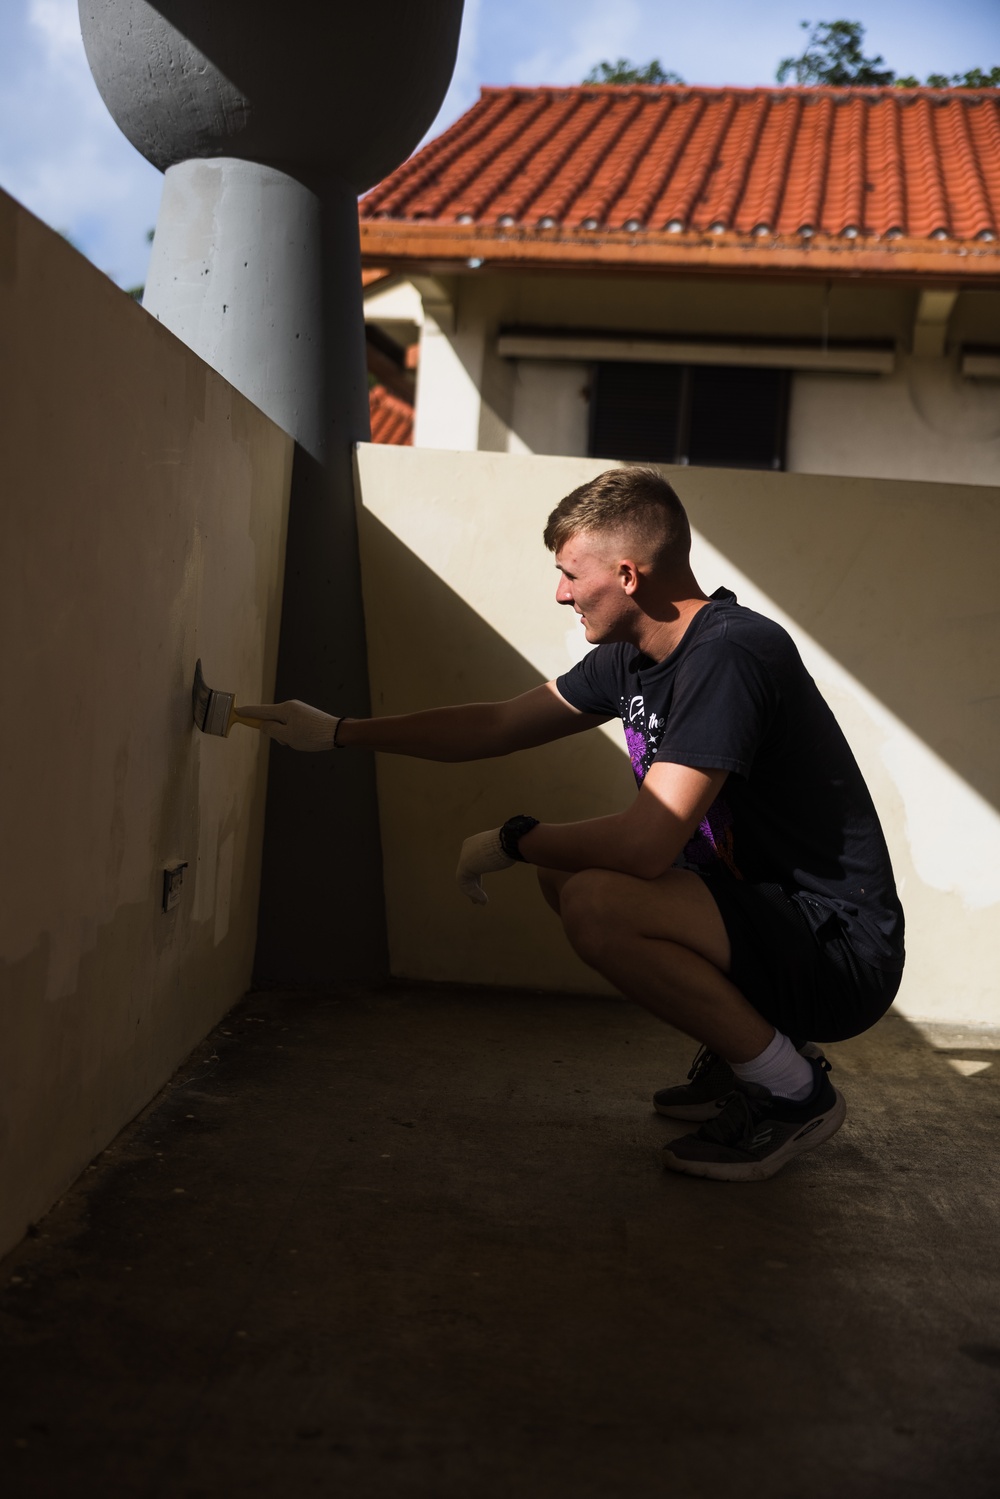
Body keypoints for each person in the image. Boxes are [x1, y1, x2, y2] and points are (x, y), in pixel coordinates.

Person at [241, 466, 904, 1182]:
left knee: (595, 899)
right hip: (765, 919)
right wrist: (339, 731)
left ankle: (791, 1090)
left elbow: (647, 844)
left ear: (626, 574)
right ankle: (755, 1046)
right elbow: (496, 723)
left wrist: (512, 838)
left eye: (568, 573)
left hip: (838, 949)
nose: (559, 592)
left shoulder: (731, 653)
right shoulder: (629, 658)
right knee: (568, 874)